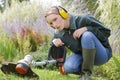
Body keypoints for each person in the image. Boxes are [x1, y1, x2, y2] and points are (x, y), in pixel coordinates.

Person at [44, 6, 112, 80]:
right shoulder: (58, 33)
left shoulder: (83, 19)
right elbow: (53, 55)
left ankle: (86, 75)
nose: (55, 25)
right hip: (82, 55)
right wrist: (54, 44)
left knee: (87, 35)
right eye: (51, 23)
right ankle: (84, 70)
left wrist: (86, 29)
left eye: (55, 19)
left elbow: (106, 32)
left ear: (63, 14)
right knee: (68, 67)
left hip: (101, 54)